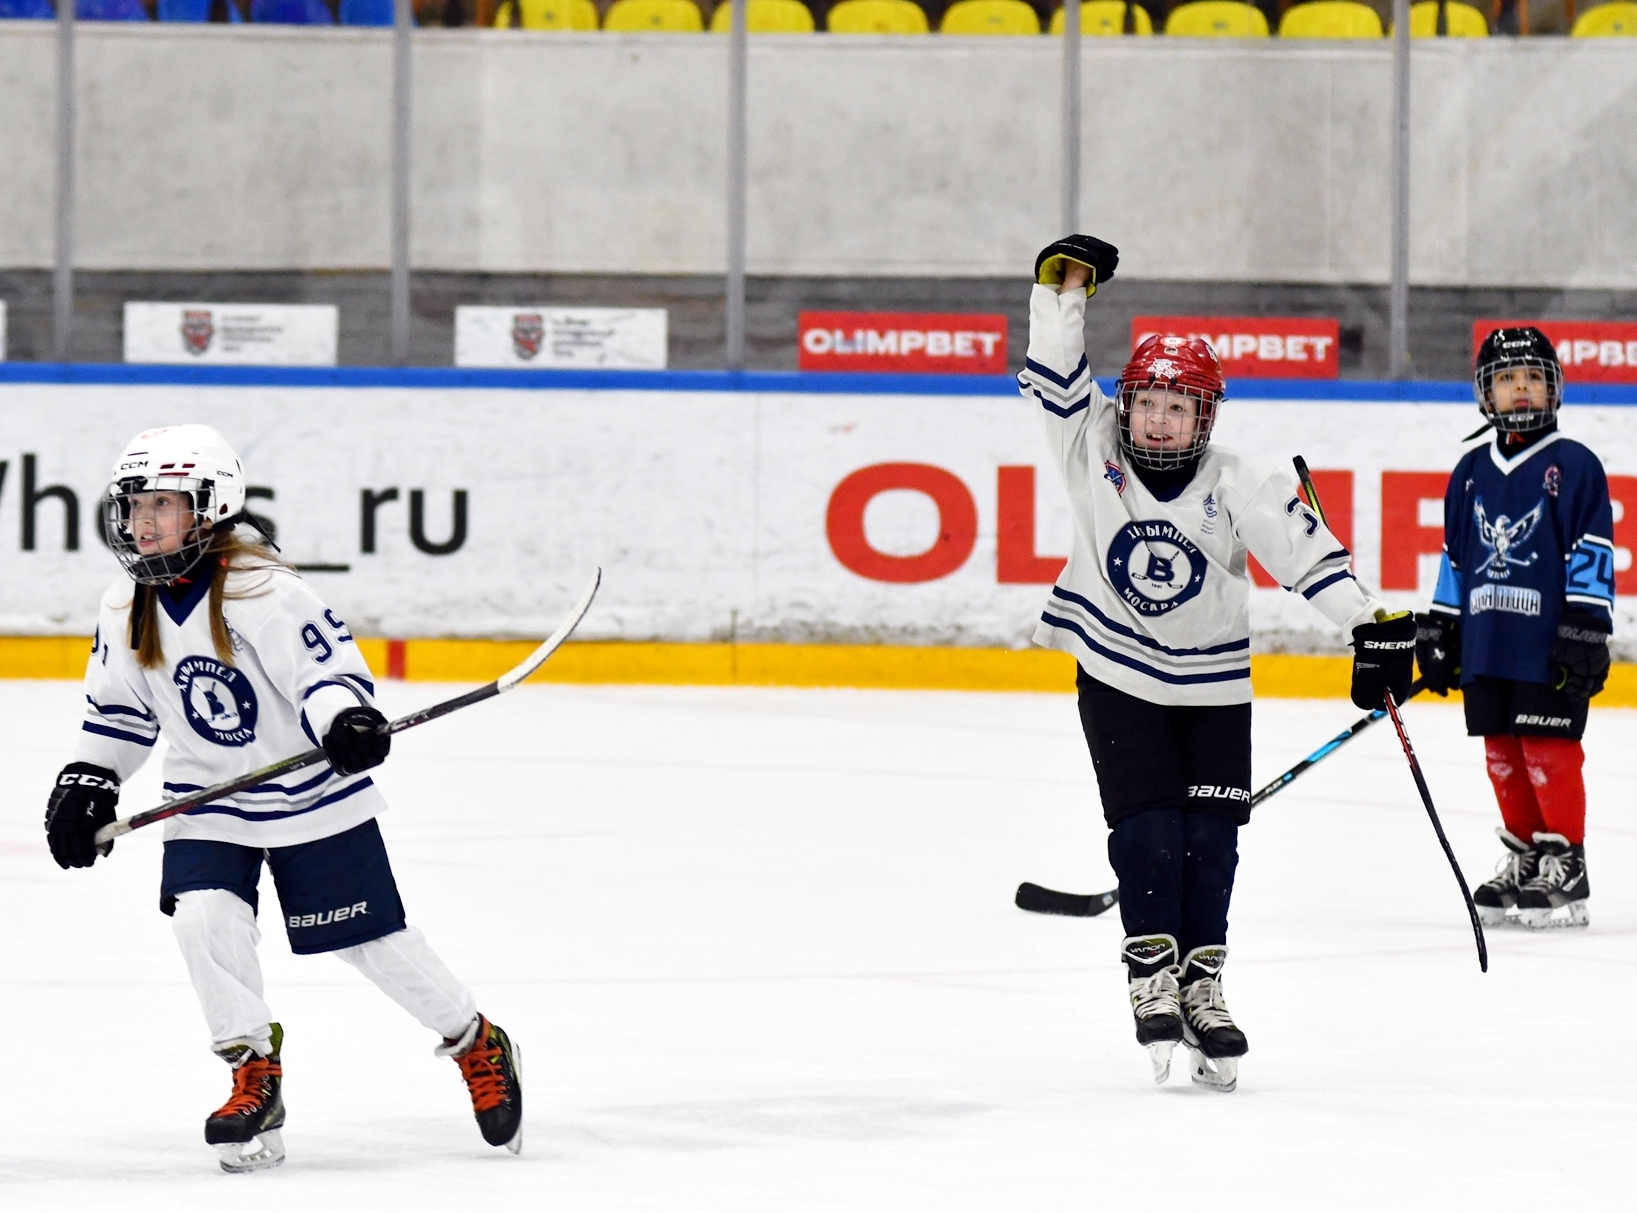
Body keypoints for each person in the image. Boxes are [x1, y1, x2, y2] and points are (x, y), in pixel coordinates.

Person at [43, 425, 523, 1172]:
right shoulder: (125, 604)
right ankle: (253, 1074)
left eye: (162, 505)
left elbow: (324, 678)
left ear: (209, 510)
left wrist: (346, 721)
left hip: (309, 795)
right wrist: (88, 778)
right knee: (204, 920)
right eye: (135, 504)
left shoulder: (262, 588)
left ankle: (475, 1040)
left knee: (371, 942)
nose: (141, 521)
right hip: (207, 798)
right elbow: (120, 715)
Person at [1018, 235, 1413, 1092]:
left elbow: (1312, 561)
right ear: (1125, 406)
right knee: (1151, 833)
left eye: (1179, 407)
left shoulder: (1243, 480)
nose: (1160, 418)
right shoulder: (1091, 448)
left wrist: (1369, 627)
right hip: (1117, 675)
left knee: (1211, 843)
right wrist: (1065, 289)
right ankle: (1151, 969)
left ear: (1207, 417)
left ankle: (1202, 977)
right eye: (1148, 402)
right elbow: (1053, 372)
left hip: (1211, 688)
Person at [1416, 327, 1613, 930]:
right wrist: (1442, 627)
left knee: (1547, 747)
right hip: (1487, 639)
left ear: (1553, 388)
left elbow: (1592, 551)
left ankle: (1566, 863)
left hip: (1547, 643)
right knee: (1501, 750)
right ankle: (1528, 855)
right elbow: (1456, 558)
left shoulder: (1574, 464)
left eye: (1532, 378)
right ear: (1486, 394)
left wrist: (1584, 628)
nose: (1521, 390)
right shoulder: (1470, 468)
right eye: (1507, 380)